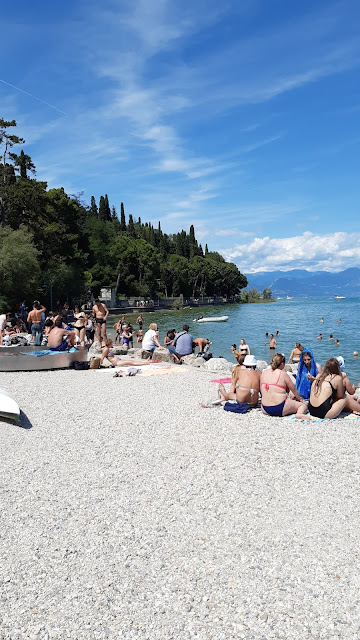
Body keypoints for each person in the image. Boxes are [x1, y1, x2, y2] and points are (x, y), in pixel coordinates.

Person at [260, 353, 309, 419]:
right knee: (303, 406)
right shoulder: (282, 374)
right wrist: (300, 399)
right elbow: (293, 389)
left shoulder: (264, 373)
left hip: (265, 408)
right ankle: (299, 414)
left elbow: (261, 391)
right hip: (280, 408)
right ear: (282, 364)